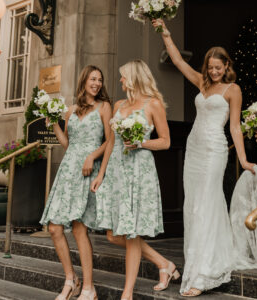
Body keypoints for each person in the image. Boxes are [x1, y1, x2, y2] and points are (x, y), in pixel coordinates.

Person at [152, 19, 255, 297]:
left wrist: (243, 160)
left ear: (227, 66)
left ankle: (205, 272)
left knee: (206, 205)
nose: (213, 71)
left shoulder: (233, 90)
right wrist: (165, 33)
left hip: (214, 151)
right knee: (193, 206)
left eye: (218, 67)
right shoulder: (202, 83)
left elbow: (235, 126)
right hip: (194, 148)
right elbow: (177, 60)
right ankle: (196, 264)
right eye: (210, 67)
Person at [91, 60, 174, 300]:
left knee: (131, 234)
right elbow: (112, 143)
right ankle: (164, 263)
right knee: (112, 234)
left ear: (135, 77)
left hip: (139, 171)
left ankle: (127, 293)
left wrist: (141, 143)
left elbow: (166, 141)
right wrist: (101, 174)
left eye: (123, 76)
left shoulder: (153, 104)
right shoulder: (118, 104)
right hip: (117, 170)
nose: (120, 80)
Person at [40, 65, 112, 300]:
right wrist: (52, 121)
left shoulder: (104, 107)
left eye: (100, 80)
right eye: (93, 79)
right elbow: (68, 144)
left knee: (80, 228)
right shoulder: (70, 110)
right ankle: (71, 279)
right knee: (54, 227)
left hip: (87, 170)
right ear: (84, 81)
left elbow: (111, 141)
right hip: (68, 170)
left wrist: (92, 157)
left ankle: (89, 288)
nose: (97, 83)